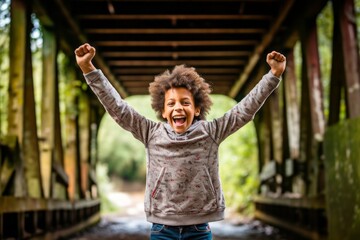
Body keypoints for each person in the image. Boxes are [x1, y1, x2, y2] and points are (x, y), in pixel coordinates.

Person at [74, 43, 286, 240]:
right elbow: (118, 108)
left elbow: (244, 111)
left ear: (197, 109)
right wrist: (89, 69)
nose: (178, 108)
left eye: (185, 102)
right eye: (171, 103)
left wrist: (273, 75)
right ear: (164, 111)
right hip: (161, 228)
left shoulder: (211, 132)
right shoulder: (150, 132)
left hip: (199, 228)